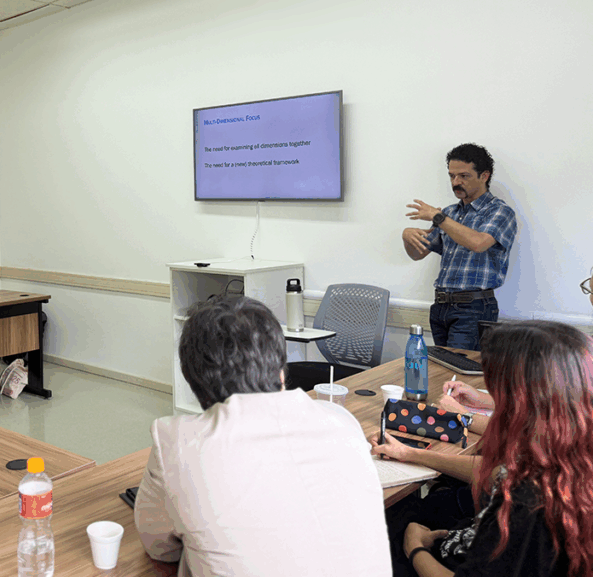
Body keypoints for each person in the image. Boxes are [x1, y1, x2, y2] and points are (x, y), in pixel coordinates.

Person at [134, 295, 390, 576]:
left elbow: (161, 548)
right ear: (281, 369)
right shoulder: (341, 420)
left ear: (192, 377)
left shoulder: (177, 443)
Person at [380, 321, 593, 577]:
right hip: (464, 540)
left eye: (497, 395)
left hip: (438, 558)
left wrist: (415, 548)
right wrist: (410, 453)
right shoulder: (568, 454)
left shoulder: (526, 504)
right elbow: (495, 474)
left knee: (387, 523)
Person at [402, 143, 518, 350]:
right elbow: (418, 254)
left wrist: (438, 217)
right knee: (442, 370)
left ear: (484, 176)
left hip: (474, 307)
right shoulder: (450, 213)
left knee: (461, 372)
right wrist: (407, 237)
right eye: (452, 176)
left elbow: (478, 243)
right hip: (440, 305)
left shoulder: (499, 211)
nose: (456, 182)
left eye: (464, 176)